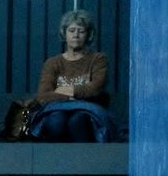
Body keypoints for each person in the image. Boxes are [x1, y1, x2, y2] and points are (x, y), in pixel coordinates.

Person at [29, 9, 116, 143]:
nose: (76, 35)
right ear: (64, 33)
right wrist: (79, 93)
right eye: (71, 30)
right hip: (57, 110)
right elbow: (43, 95)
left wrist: (62, 91)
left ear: (88, 35)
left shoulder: (98, 59)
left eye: (81, 31)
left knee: (77, 120)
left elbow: (95, 89)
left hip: (88, 112)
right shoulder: (52, 62)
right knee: (56, 121)